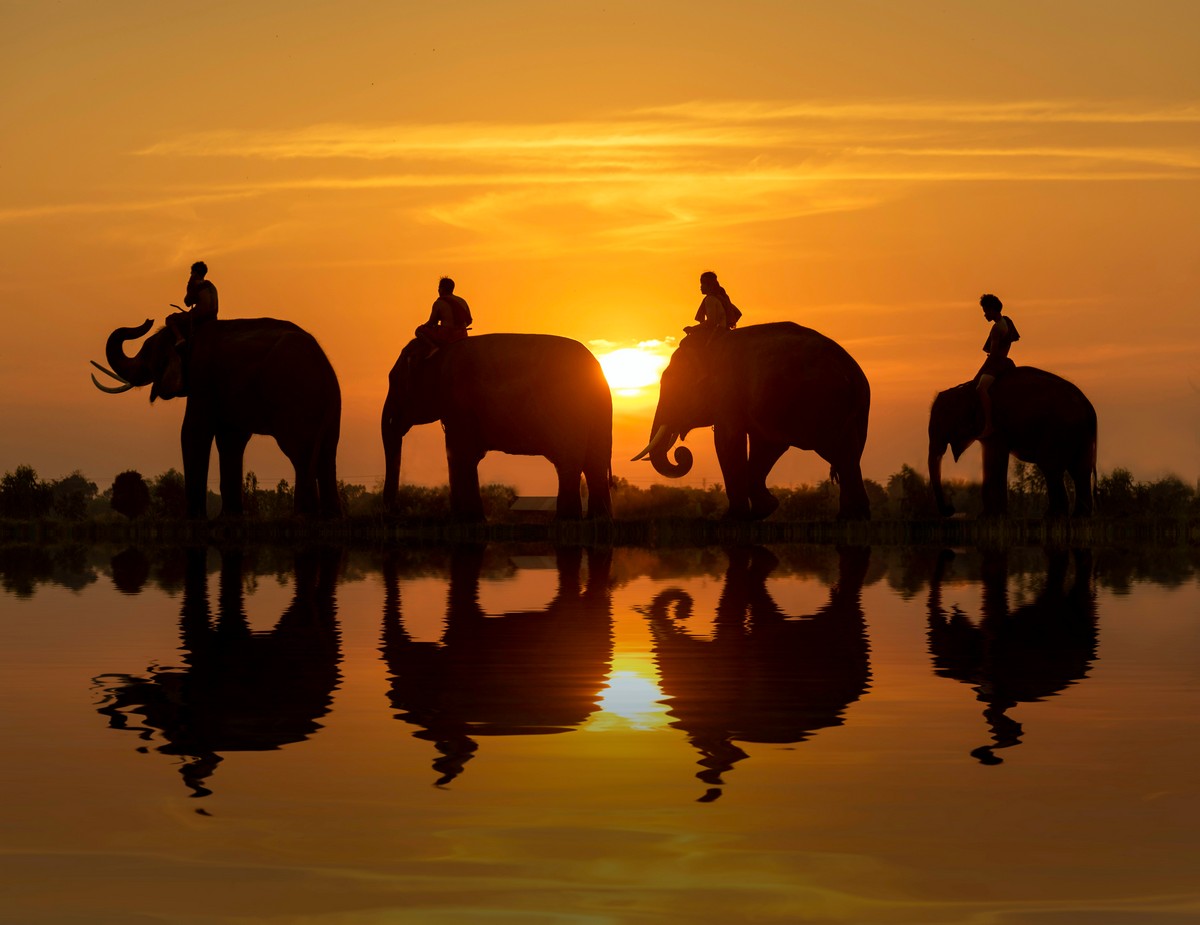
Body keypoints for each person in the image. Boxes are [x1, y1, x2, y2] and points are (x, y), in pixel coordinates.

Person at [975, 293, 1020, 438]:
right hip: (1006, 361)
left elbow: (993, 355)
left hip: (997, 364)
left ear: (993, 310)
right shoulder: (1007, 321)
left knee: (981, 388)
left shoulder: (996, 329)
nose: (984, 315)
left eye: (986, 311)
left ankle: (989, 425)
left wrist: (981, 371)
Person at [167, 260, 219, 347]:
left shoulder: (196, 285)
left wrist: (190, 284)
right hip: (213, 317)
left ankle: (180, 338)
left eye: (191, 273)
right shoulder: (211, 286)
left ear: (195, 273)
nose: (191, 275)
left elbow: (187, 302)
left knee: (170, 319)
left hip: (200, 317)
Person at [416, 277, 472, 352]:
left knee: (419, 330)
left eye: (439, 288)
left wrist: (424, 326)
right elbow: (469, 321)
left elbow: (432, 322)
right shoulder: (462, 301)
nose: (438, 290)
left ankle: (433, 348)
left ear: (442, 289)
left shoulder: (439, 303)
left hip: (447, 336)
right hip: (462, 334)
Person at [684, 271, 741, 339]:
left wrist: (692, 329)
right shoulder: (721, 298)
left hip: (716, 333)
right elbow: (738, 313)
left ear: (709, 285)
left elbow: (711, 322)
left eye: (703, 284)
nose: (700, 286)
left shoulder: (710, 299)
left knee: (685, 342)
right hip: (724, 331)